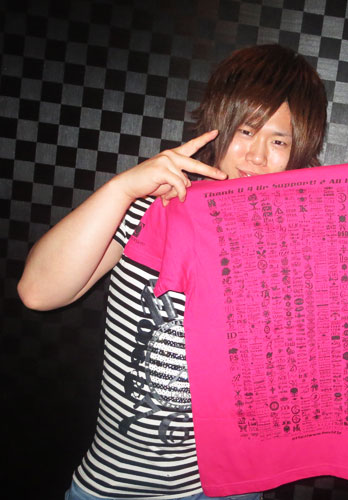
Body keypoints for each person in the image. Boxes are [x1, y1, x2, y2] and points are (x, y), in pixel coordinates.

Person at [17, 44, 327, 500]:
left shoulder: (298, 244)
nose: (258, 156)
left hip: (229, 488)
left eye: (278, 141)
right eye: (246, 130)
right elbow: (38, 291)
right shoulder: (153, 208)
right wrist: (123, 189)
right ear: (219, 124)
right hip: (113, 486)